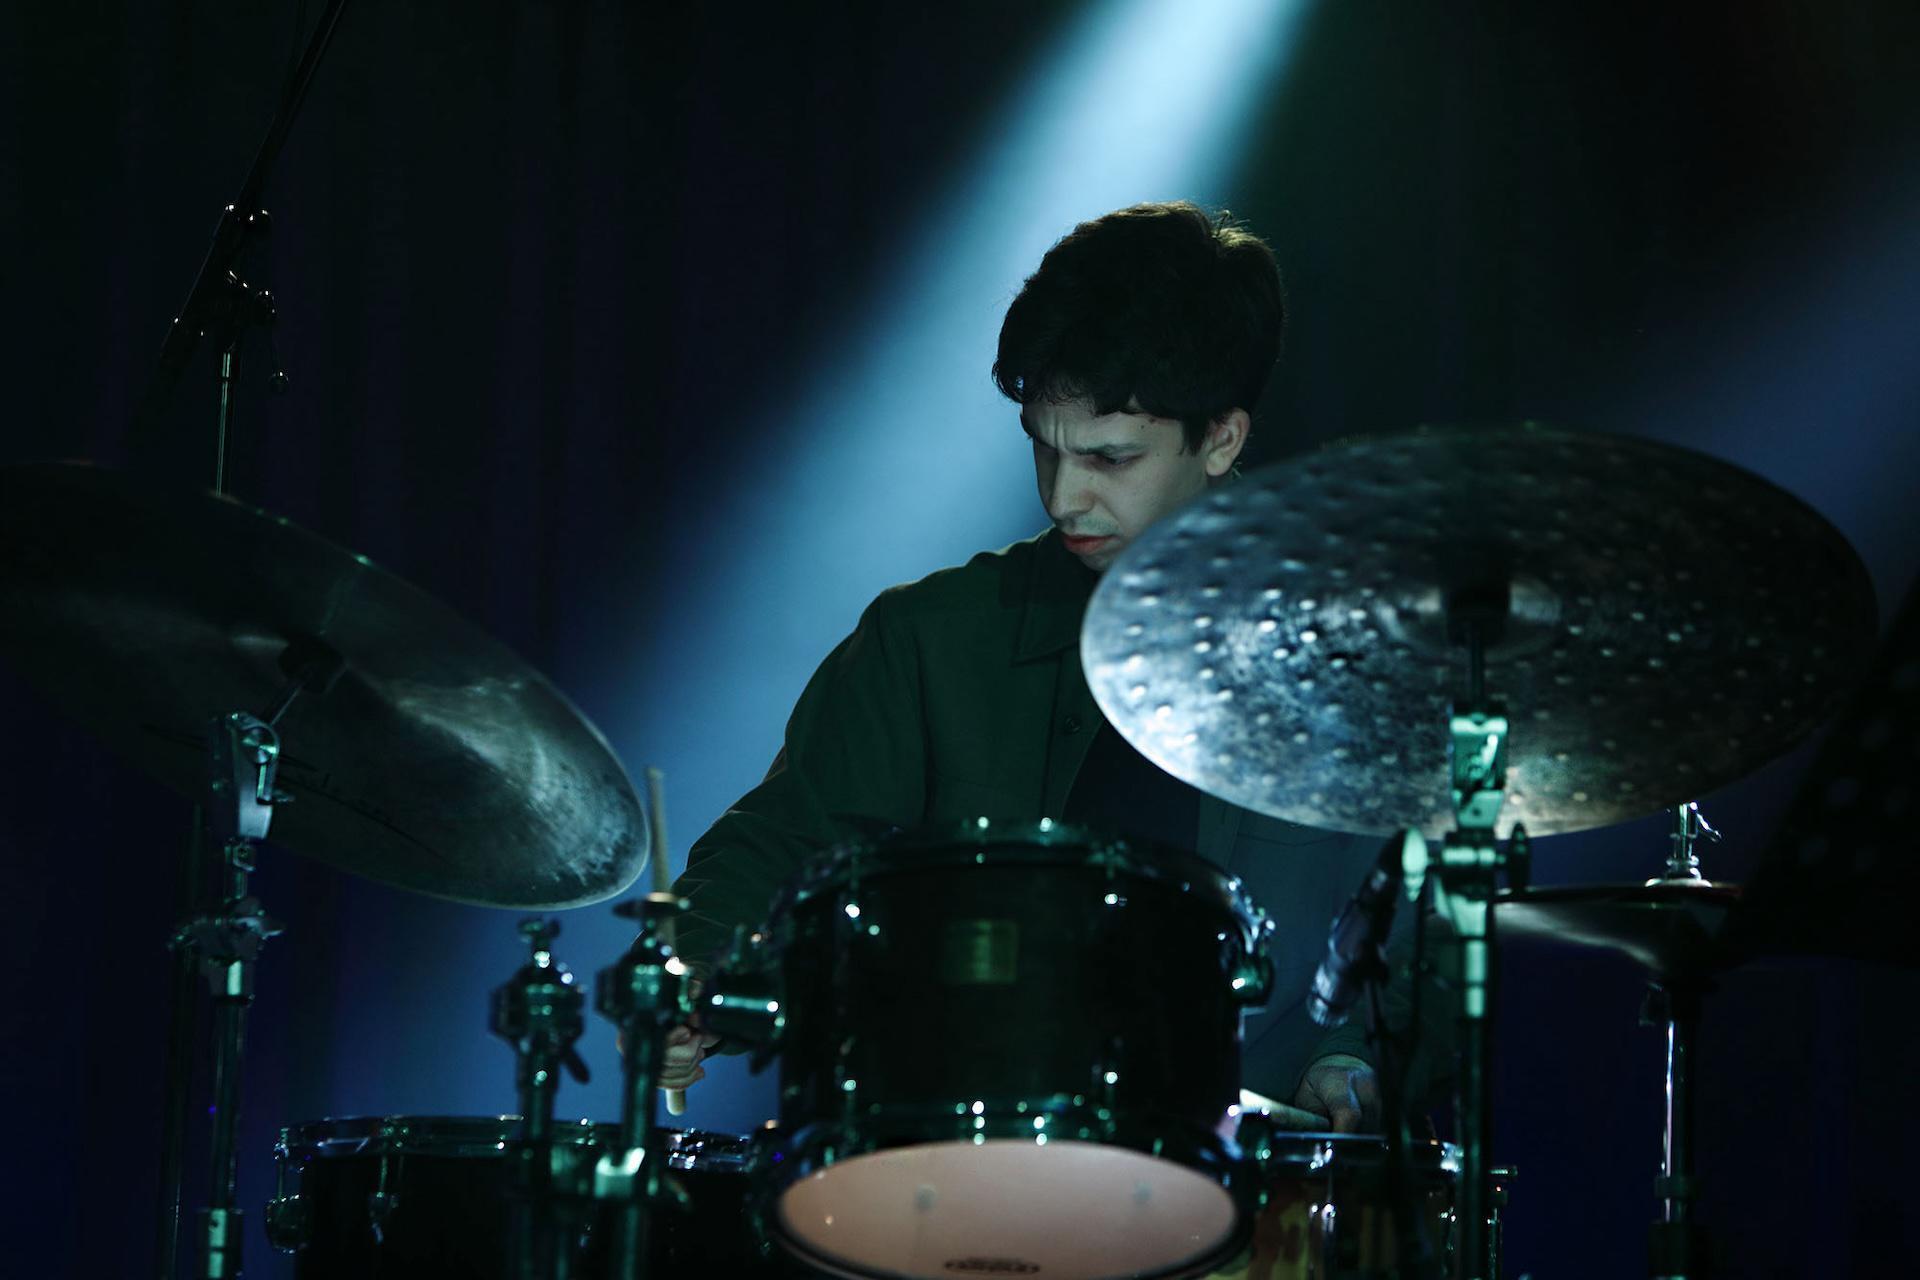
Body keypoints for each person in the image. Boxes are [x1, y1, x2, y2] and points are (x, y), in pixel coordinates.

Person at [663, 201, 1442, 1131]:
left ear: (1222, 439)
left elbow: (1421, 929)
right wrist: (695, 975)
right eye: (1044, 445)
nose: (1066, 496)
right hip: (954, 1169)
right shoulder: (930, 638)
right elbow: (784, 842)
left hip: (1249, 1191)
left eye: (1111, 458)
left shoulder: (1361, 659)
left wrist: (1349, 1056)